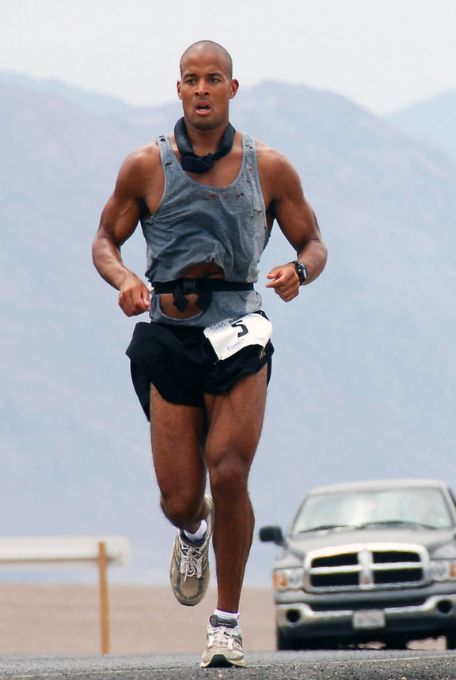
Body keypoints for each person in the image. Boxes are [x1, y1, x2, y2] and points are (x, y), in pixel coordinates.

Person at [91, 39, 327, 668]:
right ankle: (193, 531)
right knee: (178, 497)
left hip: (240, 330)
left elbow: (314, 242)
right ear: (178, 90)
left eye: (213, 78)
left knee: (230, 469)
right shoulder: (146, 166)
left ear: (232, 88)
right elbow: (104, 240)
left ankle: (225, 624)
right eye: (191, 79)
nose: (202, 89)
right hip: (169, 332)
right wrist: (125, 282)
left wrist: (297, 271)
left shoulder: (268, 168)